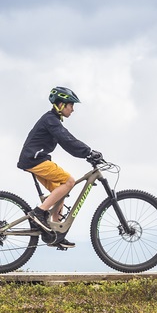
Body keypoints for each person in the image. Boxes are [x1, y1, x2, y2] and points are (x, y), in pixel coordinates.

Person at [18, 86, 103, 250]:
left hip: (35, 160)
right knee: (69, 181)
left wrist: (86, 153)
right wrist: (88, 152)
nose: (73, 109)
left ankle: (55, 232)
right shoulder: (50, 120)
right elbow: (67, 140)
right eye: (71, 105)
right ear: (62, 104)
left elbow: (67, 141)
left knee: (61, 190)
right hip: (34, 160)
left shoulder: (53, 120)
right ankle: (39, 212)